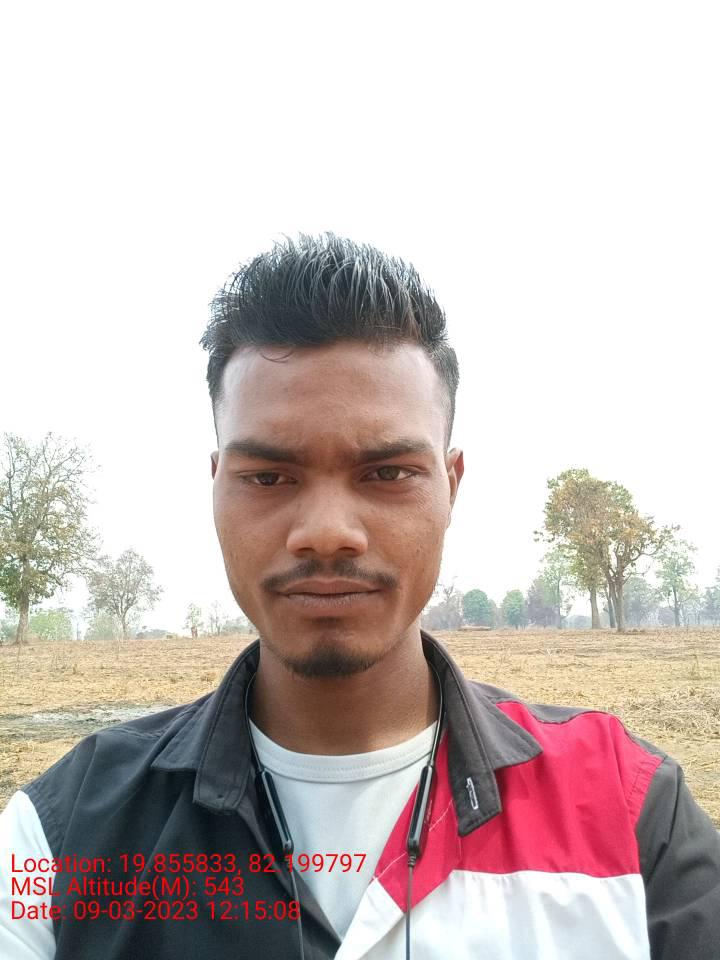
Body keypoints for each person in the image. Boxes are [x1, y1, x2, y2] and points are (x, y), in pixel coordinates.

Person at [1, 233, 718, 960]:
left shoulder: (632, 812)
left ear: (451, 486)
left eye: (388, 473)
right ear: (217, 485)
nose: (327, 533)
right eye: (268, 478)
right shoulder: (56, 839)